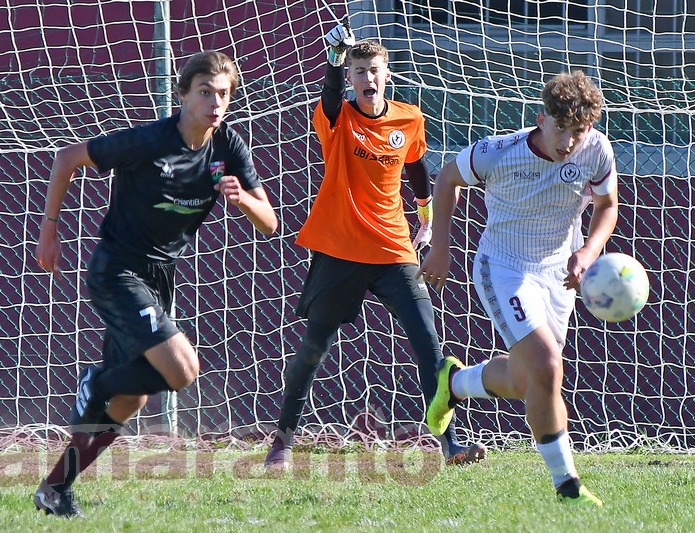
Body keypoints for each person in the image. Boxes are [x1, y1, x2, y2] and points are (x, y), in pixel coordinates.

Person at [33, 50, 278, 517]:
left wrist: (243, 199)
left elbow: (270, 223)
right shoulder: (150, 140)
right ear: (182, 95)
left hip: (160, 278)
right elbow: (67, 158)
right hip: (118, 270)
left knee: (133, 398)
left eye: (222, 94)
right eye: (204, 92)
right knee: (183, 370)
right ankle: (96, 381)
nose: (215, 103)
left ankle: (55, 488)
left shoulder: (228, 146)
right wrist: (49, 231)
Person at [263, 22, 486, 469]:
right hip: (341, 250)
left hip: (394, 251)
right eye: (359, 71)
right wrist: (333, 59)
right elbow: (329, 97)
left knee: (428, 342)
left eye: (374, 70)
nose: (368, 78)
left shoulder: (409, 118)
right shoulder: (337, 117)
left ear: (387, 75)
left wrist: (425, 213)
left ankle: (451, 445)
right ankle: (282, 443)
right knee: (314, 348)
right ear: (350, 78)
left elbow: (417, 165)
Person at [421, 70, 619, 506]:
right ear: (541, 119)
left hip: (558, 276)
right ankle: (567, 485)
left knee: (528, 379)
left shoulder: (597, 150)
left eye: (579, 131)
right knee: (547, 366)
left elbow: (607, 205)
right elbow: (446, 178)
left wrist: (587, 252)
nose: (568, 141)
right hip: (504, 269)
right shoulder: (499, 152)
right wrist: (440, 246)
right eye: (560, 128)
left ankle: (454, 382)